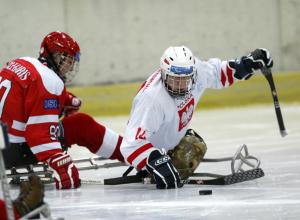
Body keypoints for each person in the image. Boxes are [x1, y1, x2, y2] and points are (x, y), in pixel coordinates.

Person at [119, 46, 273, 189]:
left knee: (195, 145)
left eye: (185, 80)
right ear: (163, 75)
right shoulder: (152, 100)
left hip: (171, 137)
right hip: (151, 147)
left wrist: (246, 64)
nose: (180, 86)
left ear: (193, 74)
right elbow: (131, 145)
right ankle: (150, 169)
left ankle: (166, 158)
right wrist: (156, 162)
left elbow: (218, 74)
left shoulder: (197, 71)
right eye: (174, 80)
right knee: (183, 158)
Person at [0, 31, 124, 190]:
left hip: (3, 144)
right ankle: (130, 152)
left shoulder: (23, 62)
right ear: (56, 56)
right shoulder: (50, 81)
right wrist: (56, 160)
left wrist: (64, 98)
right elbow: (38, 133)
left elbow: (27, 95)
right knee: (81, 124)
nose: (71, 66)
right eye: (68, 59)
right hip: (12, 153)